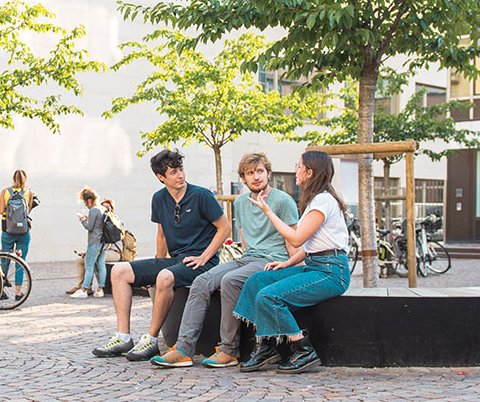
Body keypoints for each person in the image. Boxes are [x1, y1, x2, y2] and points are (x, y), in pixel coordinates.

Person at [150, 152, 299, 368]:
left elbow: (292, 240)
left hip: (272, 259)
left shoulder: (283, 201)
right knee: (201, 281)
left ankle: (229, 350)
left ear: (268, 173)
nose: (256, 177)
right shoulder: (240, 202)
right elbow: (247, 241)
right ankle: (183, 349)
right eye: (250, 173)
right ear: (243, 178)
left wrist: (293, 267)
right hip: (248, 258)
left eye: (260, 171)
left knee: (230, 280)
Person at [92, 148, 230, 361]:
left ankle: (151, 339)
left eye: (181, 169)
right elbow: (162, 234)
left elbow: (225, 228)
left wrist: (204, 256)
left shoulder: (202, 195)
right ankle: (123, 337)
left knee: (165, 276)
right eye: (173, 172)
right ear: (161, 177)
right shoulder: (158, 199)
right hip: (175, 260)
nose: (180, 175)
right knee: (119, 271)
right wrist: (158, 262)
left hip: (202, 262)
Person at [232, 150, 351, 374]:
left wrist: (268, 210)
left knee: (269, 296)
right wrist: (287, 264)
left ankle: (303, 349)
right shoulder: (315, 200)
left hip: (332, 272)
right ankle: (266, 346)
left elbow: (296, 238)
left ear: (310, 172)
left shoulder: (323, 201)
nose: (295, 170)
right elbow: (309, 247)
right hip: (316, 265)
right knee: (257, 281)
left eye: (299, 166)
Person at [0, 170, 37, 301]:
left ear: (13, 178)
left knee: (5, 260)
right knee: (20, 262)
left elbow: (0, 211)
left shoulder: (5, 191)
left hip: (7, 231)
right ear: (25, 179)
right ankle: (18, 292)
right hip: (23, 232)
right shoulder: (29, 193)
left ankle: (2, 290)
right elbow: (28, 211)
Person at [69, 189, 110, 298]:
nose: (86, 205)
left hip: (95, 241)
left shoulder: (93, 210)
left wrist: (82, 220)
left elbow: (89, 227)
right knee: (101, 265)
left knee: (89, 265)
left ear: (90, 200)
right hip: (104, 242)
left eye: (85, 202)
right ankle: (100, 289)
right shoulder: (102, 209)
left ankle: (83, 290)